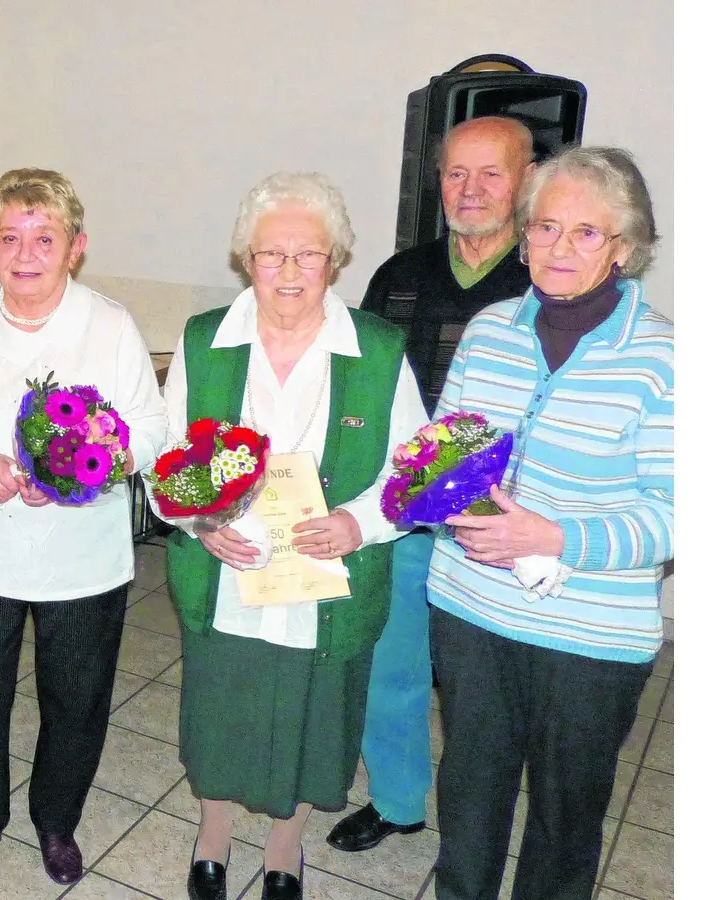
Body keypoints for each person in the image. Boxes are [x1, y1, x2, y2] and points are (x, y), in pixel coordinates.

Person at [158, 172, 429, 900]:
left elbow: (413, 474)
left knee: (318, 717)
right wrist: (200, 518)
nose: (287, 272)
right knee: (220, 708)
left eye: (307, 255)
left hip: (326, 581)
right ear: (246, 257)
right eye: (270, 254)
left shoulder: (376, 349)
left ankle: (285, 849)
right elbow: (165, 455)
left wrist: (356, 523)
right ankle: (212, 834)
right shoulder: (205, 341)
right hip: (230, 574)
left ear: (334, 260)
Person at [0, 168, 166, 886]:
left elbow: (149, 430)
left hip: (82, 558)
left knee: (75, 697)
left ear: (74, 247)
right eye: (11, 236)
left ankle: (56, 821)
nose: (27, 253)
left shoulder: (109, 324)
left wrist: (87, 472)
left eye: (44, 237)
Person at [427, 145, 673, 900]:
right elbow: (440, 464)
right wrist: (442, 505)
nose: (559, 248)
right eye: (544, 227)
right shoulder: (489, 330)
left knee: (566, 823)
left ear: (624, 249)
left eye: (587, 233)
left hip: (591, 638)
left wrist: (553, 537)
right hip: (469, 611)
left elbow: (677, 516)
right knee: (468, 803)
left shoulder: (663, 359)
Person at [329, 116, 537, 854]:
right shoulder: (399, 276)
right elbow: (359, 388)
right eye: (456, 173)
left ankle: (482, 826)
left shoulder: (546, 279)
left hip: (503, 529)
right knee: (395, 670)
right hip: (408, 523)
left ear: (524, 183)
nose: (471, 189)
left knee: (486, 696)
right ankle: (396, 801)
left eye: (492, 173)